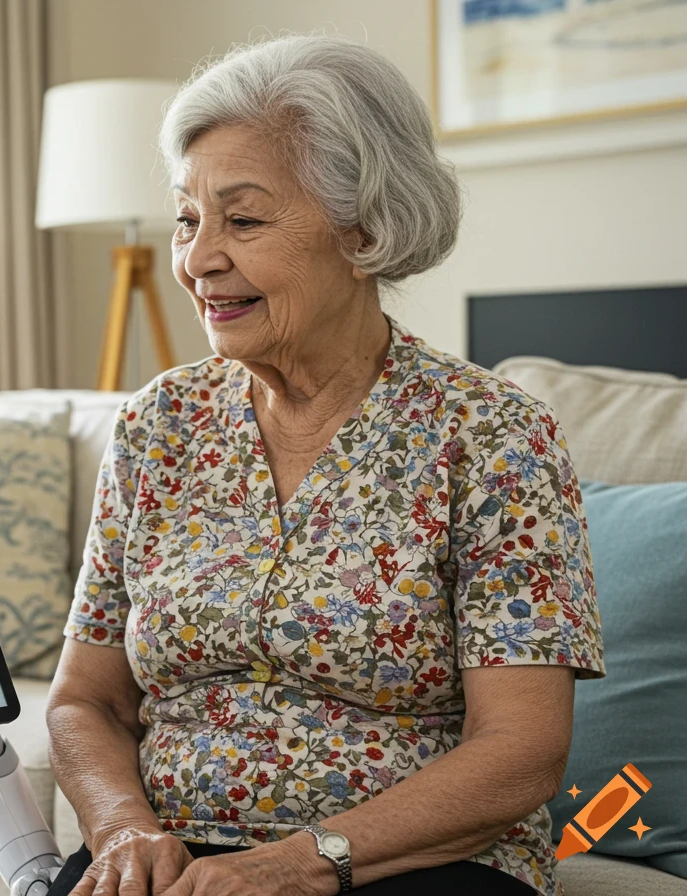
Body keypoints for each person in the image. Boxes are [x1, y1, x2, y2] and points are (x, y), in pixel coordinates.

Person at [45, 35, 602, 896]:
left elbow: (522, 752)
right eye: (188, 218)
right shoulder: (160, 423)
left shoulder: (491, 434)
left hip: (414, 865)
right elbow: (87, 700)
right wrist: (121, 828)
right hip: (178, 861)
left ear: (366, 228)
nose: (196, 260)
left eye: (244, 218)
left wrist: (299, 864)